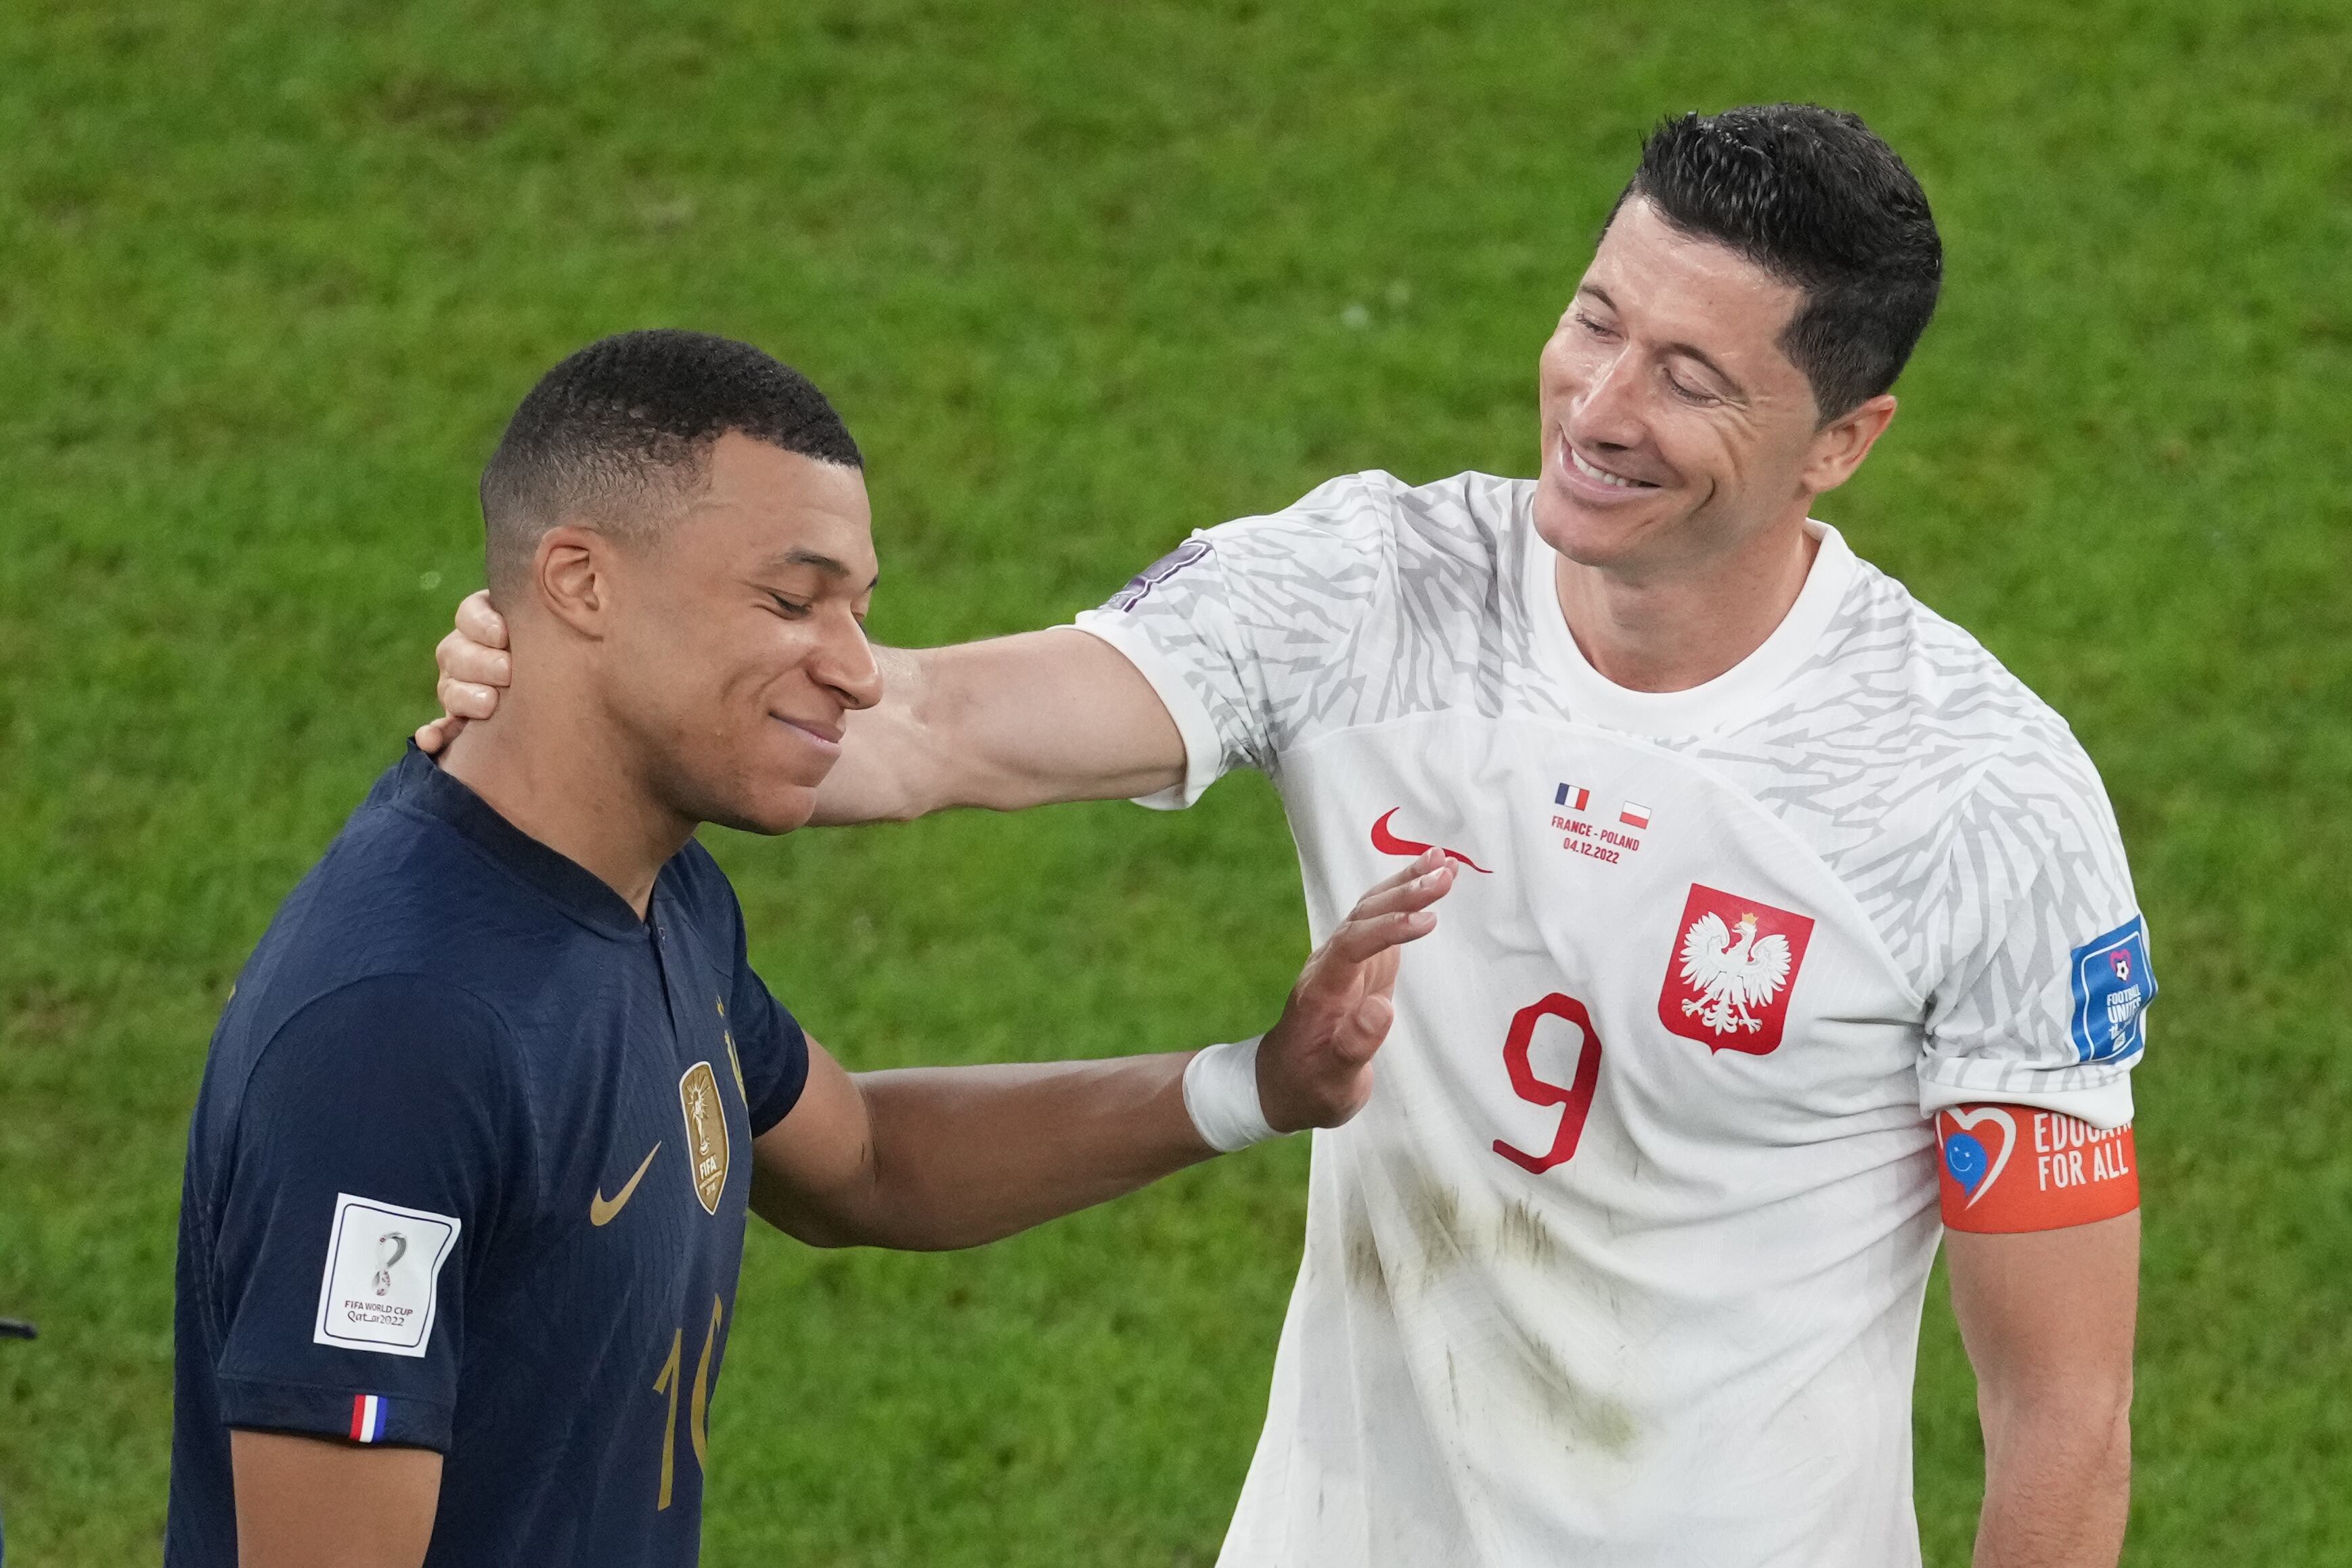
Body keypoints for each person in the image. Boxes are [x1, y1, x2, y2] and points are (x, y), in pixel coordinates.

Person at [428, 107, 2150, 1567]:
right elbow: (930, 726)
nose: (1599, 402)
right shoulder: (1368, 591)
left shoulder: (1976, 805)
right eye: (1594, 317)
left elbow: (2059, 1410)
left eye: (1690, 376)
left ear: (1840, 443)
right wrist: (586, 683)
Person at [173, 330, 1457, 1568]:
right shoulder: (404, 1034)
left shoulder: (654, 894)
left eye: (855, 608)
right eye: (791, 601)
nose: (854, 669)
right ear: (580, 584)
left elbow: (870, 1163)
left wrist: (1259, 1085)